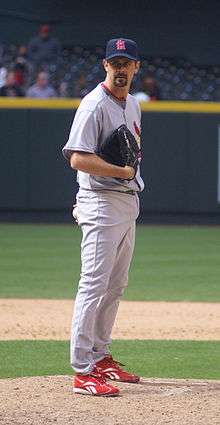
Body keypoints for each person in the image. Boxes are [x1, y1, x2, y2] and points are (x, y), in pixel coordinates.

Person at [62, 38, 144, 397]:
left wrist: (125, 175)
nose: (121, 69)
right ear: (105, 66)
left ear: (136, 67)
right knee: (94, 284)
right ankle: (82, 370)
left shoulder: (133, 106)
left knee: (115, 285)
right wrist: (118, 171)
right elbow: (77, 158)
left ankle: (100, 355)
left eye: (127, 63)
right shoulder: (94, 104)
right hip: (100, 200)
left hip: (127, 201)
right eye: (115, 63)